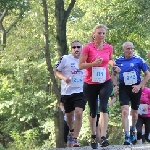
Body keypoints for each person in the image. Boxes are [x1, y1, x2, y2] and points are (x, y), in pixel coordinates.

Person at [78, 24, 119, 149]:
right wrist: (93, 63)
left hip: (105, 81)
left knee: (104, 107)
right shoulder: (87, 48)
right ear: (94, 34)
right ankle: (93, 135)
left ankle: (103, 136)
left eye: (103, 33)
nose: (101, 35)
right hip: (90, 83)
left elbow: (110, 59)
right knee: (93, 110)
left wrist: (114, 65)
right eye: (99, 33)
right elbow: (80, 65)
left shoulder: (108, 47)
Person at [111, 41, 150, 145]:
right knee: (124, 111)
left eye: (132, 48)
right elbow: (113, 75)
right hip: (124, 87)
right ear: (123, 50)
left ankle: (133, 129)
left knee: (135, 113)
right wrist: (115, 86)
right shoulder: (118, 60)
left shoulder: (139, 60)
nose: (130, 50)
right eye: (128, 49)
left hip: (135, 87)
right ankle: (127, 135)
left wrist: (139, 86)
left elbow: (147, 75)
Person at [55, 40, 86, 147]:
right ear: (71, 49)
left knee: (79, 113)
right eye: (74, 47)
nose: (76, 49)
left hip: (80, 91)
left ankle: (75, 138)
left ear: (82, 48)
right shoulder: (65, 59)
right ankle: (71, 131)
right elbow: (56, 71)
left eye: (78, 47)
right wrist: (64, 78)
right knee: (69, 117)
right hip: (67, 93)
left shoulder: (86, 59)